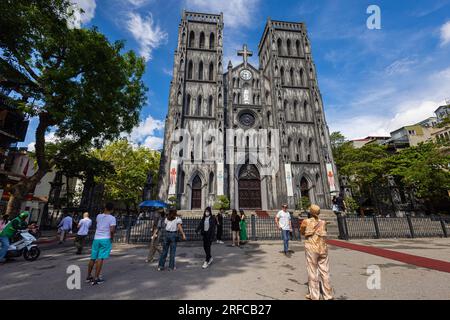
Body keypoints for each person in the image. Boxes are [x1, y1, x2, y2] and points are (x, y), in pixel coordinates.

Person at [300, 204, 333, 300]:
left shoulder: (306, 221)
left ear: (310, 212)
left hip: (312, 249)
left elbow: (302, 232)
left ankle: (314, 295)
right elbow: (324, 230)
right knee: (325, 271)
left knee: (312, 271)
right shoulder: (323, 222)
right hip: (323, 248)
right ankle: (328, 295)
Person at [86, 203, 116, 285]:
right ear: (112, 210)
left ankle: (88, 276)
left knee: (93, 257)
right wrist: (111, 237)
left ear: (105, 207)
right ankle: (96, 278)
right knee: (100, 258)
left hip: (96, 238)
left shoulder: (98, 216)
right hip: (105, 238)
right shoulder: (112, 218)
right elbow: (112, 230)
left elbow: (98, 224)